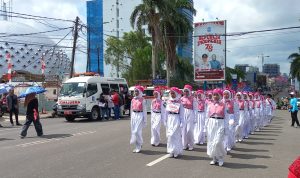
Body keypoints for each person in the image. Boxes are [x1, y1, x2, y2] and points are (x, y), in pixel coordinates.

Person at [206, 88, 227, 166]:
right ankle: (214, 158)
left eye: (217, 95)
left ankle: (221, 157)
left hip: (220, 123)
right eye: (214, 95)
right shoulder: (209, 105)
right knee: (211, 141)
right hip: (211, 123)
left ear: (220, 96)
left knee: (218, 141)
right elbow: (206, 116)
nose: (215, 96)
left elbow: (226, 117)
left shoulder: (224, 105)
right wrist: (206, 127)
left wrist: (226, 128)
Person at [165, 87, 184, 158]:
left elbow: (182, 114)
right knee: (170, 135)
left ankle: (176, 150)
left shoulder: (180, 102)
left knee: (175, 135)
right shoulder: (168, 101)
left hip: (176, 119)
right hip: (170, 118)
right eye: (171, 93)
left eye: (173, 93)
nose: (172, 94)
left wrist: (182, 123)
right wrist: (165, 120)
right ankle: (170, 150)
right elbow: (166, 112)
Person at [130, 86, 147, 153]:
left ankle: (140, 143)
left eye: (137, 91)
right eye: (135, 91)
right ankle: (138, 146)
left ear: (140, 92)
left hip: (140, 115)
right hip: (134, 115)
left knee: (137, 131)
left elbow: (145, 110)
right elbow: (131, 109)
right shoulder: (133, 99)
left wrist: (145, 120)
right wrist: (131, 117)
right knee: (134, 131)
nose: (136, 93)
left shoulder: (143, 100)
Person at [180, 84, 197, 151]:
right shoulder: (181, 98)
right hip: (183, 113)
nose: (186, 93)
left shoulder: (193, 99)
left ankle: (191, 144)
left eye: (187, 91)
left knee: (189, 130)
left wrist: (195, 118)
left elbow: (195, 109)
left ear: (190, 91)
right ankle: (184, 144)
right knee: (183, 129)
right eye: (185, 91)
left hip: (190, 113)